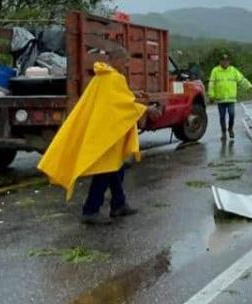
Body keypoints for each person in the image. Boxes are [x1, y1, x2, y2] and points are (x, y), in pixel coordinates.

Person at [37, 62, 161, 225]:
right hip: (108, 133)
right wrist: (146, 109)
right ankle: (90, 210)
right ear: (118, 60)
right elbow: (122, 105)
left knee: (116, 168)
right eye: (125, 61)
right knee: (105, 170)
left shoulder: (101, 78)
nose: (127, 67)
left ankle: (119, 203)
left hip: (102, 131)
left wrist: (133, 94)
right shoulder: (116, 78)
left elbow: (116, 99)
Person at [208, 54, 252, 139]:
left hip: (231, 99)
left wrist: (248, 86)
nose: (225, 62)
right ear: (220, 61)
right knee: (222, 116)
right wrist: (211, 95)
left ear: (229, 62)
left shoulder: (233, 70)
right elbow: (211, 84)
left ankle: (230, 129)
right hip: (220, 99)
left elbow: (241, 79)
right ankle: (224, 132)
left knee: (232, 114)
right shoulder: (215, 71)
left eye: (227, 61)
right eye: (223, 61)